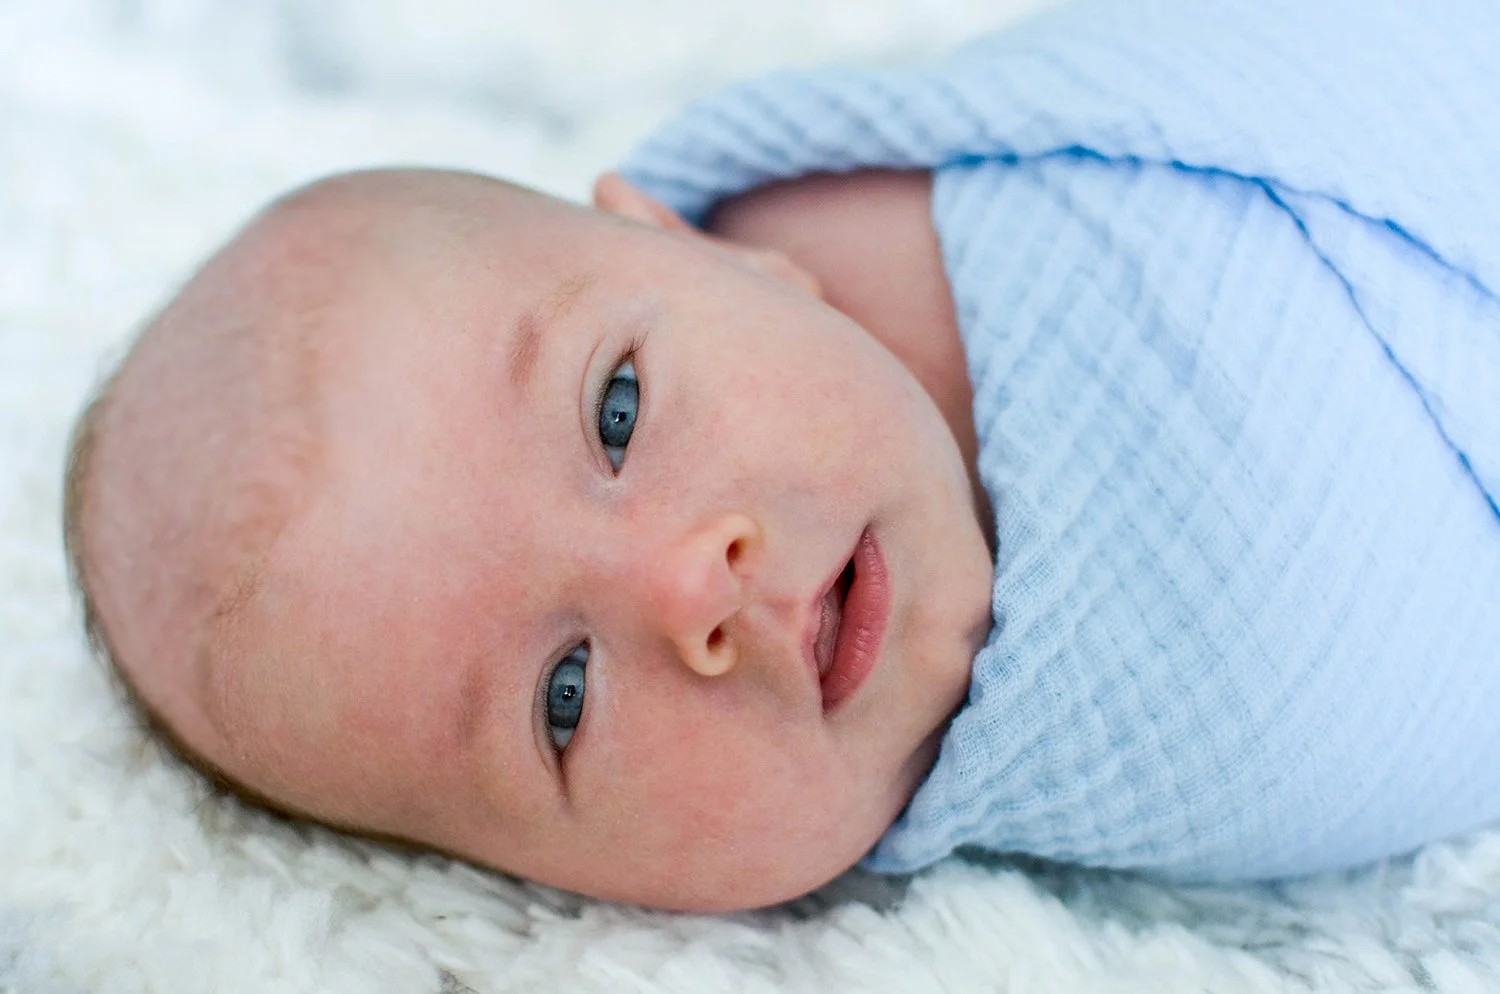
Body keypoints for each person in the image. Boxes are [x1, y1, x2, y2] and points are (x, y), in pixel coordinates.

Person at [64, 0, 1500, 913]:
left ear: (699, 248)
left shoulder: (948, 218)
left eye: (617, 411)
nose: (692, 584)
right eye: (564, 698)